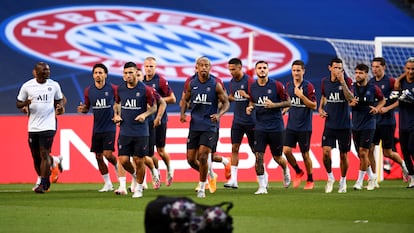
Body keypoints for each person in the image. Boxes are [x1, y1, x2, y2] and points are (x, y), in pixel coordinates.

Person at [180, 56, 230, 198]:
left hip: (209, 125)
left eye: (206, 65)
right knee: (191, 159)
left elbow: (226, 102)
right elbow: (185, 99)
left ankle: (202, 187)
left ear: (210, 67)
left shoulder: (215, 84)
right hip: (195, 125)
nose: (204, 67)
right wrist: (182, 114)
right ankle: (210, 175)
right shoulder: (191, 83)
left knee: (203, 156)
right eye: (201, 65)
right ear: (196, 67)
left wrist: (219, 114)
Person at [16, 62, 65, 193]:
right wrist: (26, 103)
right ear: (35, 72)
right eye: (44, 70)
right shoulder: (27, 86)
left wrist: (59, 107)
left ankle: (43, 184)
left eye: (48, 70)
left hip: (49, 124)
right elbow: (18, 103)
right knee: (36, 156)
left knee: (44, 153)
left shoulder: (54, 85)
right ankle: (50, 167)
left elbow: (60, 99)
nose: (47, 72)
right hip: (33, 126)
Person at [77, 63, 126, 193]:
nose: (98, 75)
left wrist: (118, 115)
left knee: (108, 154)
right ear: (93, 75)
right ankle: (108, 183)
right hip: (97, 127)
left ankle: (117, 166)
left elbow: (120, 102)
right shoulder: (89, 90)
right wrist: (82, 109)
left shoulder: (113, 88)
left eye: (100, 73)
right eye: (95, 73)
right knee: (98, 156)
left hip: (110, 126)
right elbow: (87, 108)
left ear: (105, 74)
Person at [246, 60, 291, 195]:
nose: (262, 70)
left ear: (268, 70)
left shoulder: (276, 85)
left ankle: (285, 169)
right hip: (260, 127)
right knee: (259, 156)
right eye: (259, 68)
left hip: (276, 127)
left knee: (277, 157)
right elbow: (253, 101)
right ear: (256, 70)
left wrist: (274, 105)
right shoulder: (252, 87)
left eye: (264, 67)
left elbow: (289, 102)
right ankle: (262, 187)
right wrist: (250, 107)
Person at [113, 62, 157, 198]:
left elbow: (154, 107)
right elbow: (117, 103)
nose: (128, 75)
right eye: (125, 73)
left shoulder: (145, 89)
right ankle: (136, 176)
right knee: (124, 160)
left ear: (136, 73)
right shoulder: (120, 89)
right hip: (125, 130)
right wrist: (117, 115)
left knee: (139, 160)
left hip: (140, 131)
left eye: (131, 72)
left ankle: (138, 188)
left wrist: (144, 115)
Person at [368, 57, 409, 186]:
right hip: (373, 122)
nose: (375, 69)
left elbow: (400, 100)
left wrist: (387, 108)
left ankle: (404, 166)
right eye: (373, 67)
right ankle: (373, 179)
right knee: (369, 149)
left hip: (387, 122)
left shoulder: (391, 82)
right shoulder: (370, 82)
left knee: (388, 152)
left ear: (384, 67)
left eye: (377, 67)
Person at [318, 57, 354, 193]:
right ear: (330, 68)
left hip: (344, 125)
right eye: (336, 68)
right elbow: (323, 97)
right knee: (326, 153)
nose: (338, 70)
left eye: (340, 68)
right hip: (330, 125)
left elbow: (350, 98)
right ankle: (330, 177)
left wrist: (343, 82)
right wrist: (320, 109)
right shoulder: (324, 82)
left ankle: (343, 180)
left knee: (344, 155)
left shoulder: (348, 81)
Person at [349, 63, 385, 191]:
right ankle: (372, 177)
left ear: (366, 74)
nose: (358, 75)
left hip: (369, 124)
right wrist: (350, 103)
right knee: (361, 154)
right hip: (356, 125)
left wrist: (377, 108)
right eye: (356, 73)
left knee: (364, 152)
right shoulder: (351, 88)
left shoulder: (373, 88)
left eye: (361, 73)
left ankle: (359, 182)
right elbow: (347, 101)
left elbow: (382, 100)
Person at [283, 60, 317, 190]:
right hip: (291, 124)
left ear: (303, 71)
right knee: (286, 150)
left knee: (305, 154)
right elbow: (290, 100)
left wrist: (302, 96)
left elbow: (313, 105)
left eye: (298, 70)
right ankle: (298, 171)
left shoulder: (308, 86)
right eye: (294, 70)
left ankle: (310, 179)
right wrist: (287, 107)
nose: (296, 73)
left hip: (304, 126)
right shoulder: (288, 85)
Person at [143, 57, 176, 187]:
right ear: (143, 67)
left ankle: (169, 169)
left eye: (151, 66)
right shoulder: (141, 82)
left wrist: (157, 99)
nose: (149, 68)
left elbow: (173, 99)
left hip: (160, 119)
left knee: (160, 150)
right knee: (148, 153)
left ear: (155, 67)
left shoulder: (160, 81)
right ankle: (156, 174)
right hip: (147, 120)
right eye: (147, 66)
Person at [224, 58, 255, 189]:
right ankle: (234, 180)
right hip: (237, 121)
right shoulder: (232, 82)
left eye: (233, 69)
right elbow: (233, 96)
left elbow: (257, 98)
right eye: (229, 69)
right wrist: (228, 97)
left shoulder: (249, 81)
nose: (231, 72)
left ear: (240, 67)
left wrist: (247, 96)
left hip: (251, 121)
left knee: (256, 150)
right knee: (234, 148)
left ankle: (263, 176)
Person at [394, 57, 414, 188]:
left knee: (412, 148)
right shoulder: (400, 83)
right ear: (404, 69)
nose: (411, 71)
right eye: (408, 69)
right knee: (405, 152)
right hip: (403, 123)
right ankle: (412, 178)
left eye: (413, 69)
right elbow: (395, 89)